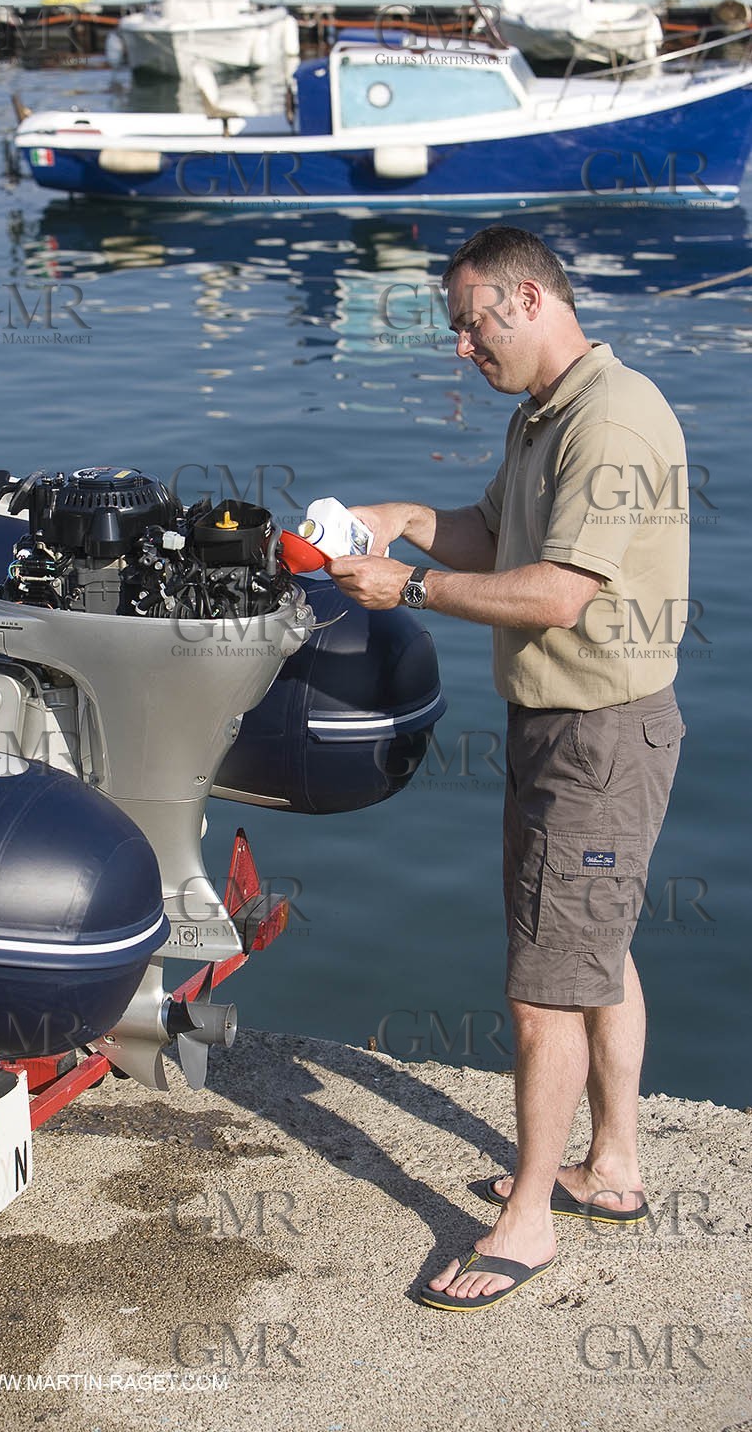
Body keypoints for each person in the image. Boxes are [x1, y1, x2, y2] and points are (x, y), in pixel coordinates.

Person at [329, 224, 688, 1312]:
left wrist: (409, 592)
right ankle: (610, 1165)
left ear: (526, 299)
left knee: (540, 987)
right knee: (594, 949)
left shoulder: (611, 418)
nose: (460, 347)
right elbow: (494, 533)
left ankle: (526, 1219)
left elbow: (555, 593)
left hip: (594, 737)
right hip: (574, 729)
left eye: (466, 323)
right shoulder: (547, 413)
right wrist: (403, 522)